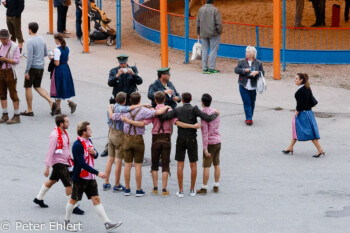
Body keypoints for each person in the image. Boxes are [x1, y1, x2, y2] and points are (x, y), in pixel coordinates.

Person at [125, 91, 200, 197]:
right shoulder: (169, 110)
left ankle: (155, 188)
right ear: (164, 99)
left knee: (154, 164)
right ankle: (164, 189)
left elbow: (144, 123)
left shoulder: (153, 111)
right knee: (165, 165)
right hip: (166, 138)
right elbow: (176, 122)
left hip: (155, 138)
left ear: (155, 100)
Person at [158, 92, 219, 198]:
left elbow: (163, 117)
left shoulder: (177, 110)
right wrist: (216, 114)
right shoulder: (194, 109)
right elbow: (207, 118)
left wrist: (166, 107)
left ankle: (180, 190)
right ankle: (192, 189)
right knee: (193, 164)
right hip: (192, 139)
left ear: (182, 100)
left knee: (180, 164)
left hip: (181, 138)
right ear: (191, 99)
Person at [65, 121, 122, 232]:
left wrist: (94, 152)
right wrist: (98, 173)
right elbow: (82, 164)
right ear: (84, 132)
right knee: (73, 200)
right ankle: (67, 221)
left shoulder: (89, 141)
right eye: (89, 130)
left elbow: (95, 156)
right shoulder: (77, 145)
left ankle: (107, 223)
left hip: (90, 178)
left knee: (96, 199)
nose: (91, 131)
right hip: (80, 178)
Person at [110, 92, 170, 197]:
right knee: (138, 165)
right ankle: (138, 190)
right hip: (138, 139)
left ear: (130, 100)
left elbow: (112, 116)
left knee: (127, 165)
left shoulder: (125, 111)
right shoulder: (143, 111)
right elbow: (157, 112)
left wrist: (110, 107)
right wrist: (167, 107)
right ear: (139, 100)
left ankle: (127, 189)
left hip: (127, 138)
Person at [33, 114, 84, 215]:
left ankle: (38, 198)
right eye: (67, 121)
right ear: (61, 124)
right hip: (58, 163)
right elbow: (50, 152)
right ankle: (72, 206)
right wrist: (47, 167)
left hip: (65, 161)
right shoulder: (55, 135)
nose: (69, 123)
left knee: (52, 180)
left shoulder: (63, 133)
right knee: (69, 184)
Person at [103, 92, 148, 192]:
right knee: (118, 160)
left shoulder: (111, 107)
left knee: (110, 158)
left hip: (111, 132)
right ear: (124, 101)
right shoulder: (121, 109)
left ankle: (106, 182)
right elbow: (129, 109)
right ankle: (117, 184)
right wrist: (142, 105)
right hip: (120, 134)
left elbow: (109, 120)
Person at [103, 54, 143, 157]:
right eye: (121, 63)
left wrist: (133, 74)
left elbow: (139, 81)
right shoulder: (113, 70)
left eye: (124, 63)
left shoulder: (133, 68)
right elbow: (110, 83)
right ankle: (108, 147)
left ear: (127, 61)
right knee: (113, 124)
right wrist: (117, 75)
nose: (123, 65)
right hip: (118, 100)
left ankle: (128, 146)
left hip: (129, 101)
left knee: (129, 123)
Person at [282, 73, 325, 158]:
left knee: (309, 132)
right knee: (296, 129)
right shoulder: (307, 88)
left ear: (301, 80)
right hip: (308, 113)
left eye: (296, 79)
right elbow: (311, 100)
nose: (295, 80)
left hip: (303, 114)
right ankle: (290, 147)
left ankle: (320, 149)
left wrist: (297, 111)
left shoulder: (299, 91)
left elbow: (300, 104)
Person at [21, 22, 57, 117]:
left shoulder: (30, 41)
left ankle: (29, 110)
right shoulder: (42, 39)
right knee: (37, 86)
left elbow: (30, 58)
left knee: (28, 87)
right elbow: (45, 53)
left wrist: (26, 71)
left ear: (30, 30)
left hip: (33, 67)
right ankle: (51, 102)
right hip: (41, 67)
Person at [196, 94, 221, 195]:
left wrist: (205, 148)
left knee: (206, 165)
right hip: (218, 140)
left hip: (210, 142)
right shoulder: (215, 111)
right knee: (217, 164)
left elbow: (205, 132)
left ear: (202, 102)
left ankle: (204, 187)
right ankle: (216, 185)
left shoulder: (204, 114)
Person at [234, 46, 265, 126]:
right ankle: (249, 119)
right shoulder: (241, 61)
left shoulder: (258, 62)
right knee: (246, 101)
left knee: (252, 102)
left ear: (253, 54)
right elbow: (236, 70)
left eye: (248, 52)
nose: (246, 54)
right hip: (243, 85)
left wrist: (257, 72)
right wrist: (244, 70)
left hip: (253, 86)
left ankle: (250, 116)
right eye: (246, 52)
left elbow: (263, 72)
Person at [53, 33, 77, 115]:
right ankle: (69, 102)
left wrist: (51, 58)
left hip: (59, 69)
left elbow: (56, 63)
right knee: (65, 86)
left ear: (56, 40)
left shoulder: (57, 50)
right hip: (66, 67)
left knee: (58, 87)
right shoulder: (67, 48)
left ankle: (58, 108)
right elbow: (67, 58)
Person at [196, 0, 222, 74]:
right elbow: (218, 23)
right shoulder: (215, 10)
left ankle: (204, 68)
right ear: (213, 1)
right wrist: (219, 31)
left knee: (204, 50)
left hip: (203, 33)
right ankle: (211, 68)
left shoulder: (201, 9)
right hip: (213, 33)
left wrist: (198, 32)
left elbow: (197, 22)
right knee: (213, 50)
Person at [0, 29, 21, 124]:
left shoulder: (14, 46)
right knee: (2, 94)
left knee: (13, 94)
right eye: (1, 39)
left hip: (10, 72)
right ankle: (5, 114)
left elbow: (16, 61)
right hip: (1, 72)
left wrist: (5, 59)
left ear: (8, 38)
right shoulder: (0, 45)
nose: (2, 41)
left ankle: (17, 116)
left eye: (4, 39)